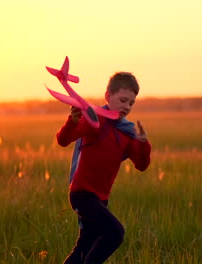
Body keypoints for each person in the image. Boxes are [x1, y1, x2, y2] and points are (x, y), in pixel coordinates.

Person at [56, 72, 151, 264]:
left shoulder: (127, 132)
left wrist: (143, 143)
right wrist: (72, 121)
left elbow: (141, 165)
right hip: (82, 195)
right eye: (123, 100)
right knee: (115, 233)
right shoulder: (95, 121)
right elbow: (63, 140)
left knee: (83, 249)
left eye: (131, 103)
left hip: (101, 199)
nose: (127, 106)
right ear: (108, 96)